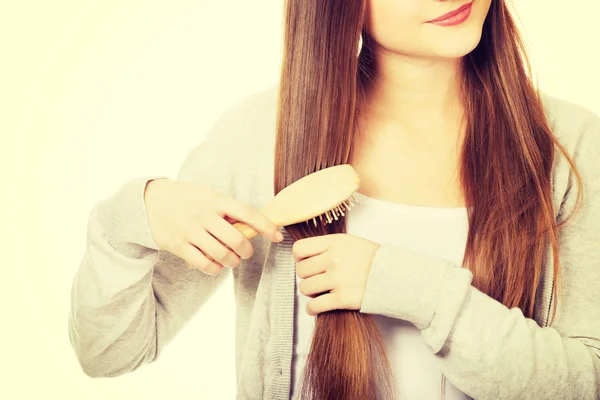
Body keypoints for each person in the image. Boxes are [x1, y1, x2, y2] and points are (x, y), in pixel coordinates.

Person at [69, 1, 600, 399]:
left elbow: (587, 378)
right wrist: (134, 217)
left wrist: (405, 286)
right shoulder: (259, 138)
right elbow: (108, 353)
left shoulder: (570, 147)